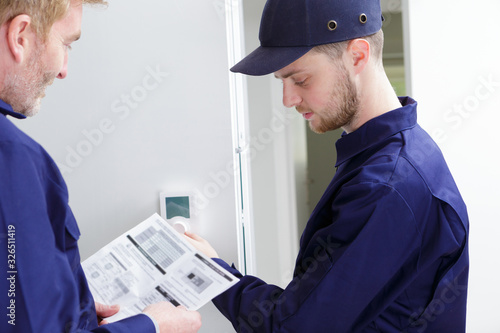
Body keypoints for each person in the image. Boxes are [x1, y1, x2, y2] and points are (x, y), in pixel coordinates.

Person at [185, 0, 469, 332]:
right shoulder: (393, 153)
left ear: (357, 56)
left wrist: (213, 274)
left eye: (301, 80)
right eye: (282, 81)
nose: (287, 99)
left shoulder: (387, 185)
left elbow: (294, 328)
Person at [0, 1, 201, 332]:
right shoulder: (12, 158)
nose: (63, 68)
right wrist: (152, 327)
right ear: (20, 36)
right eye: (65, 43)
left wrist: (62, 300)